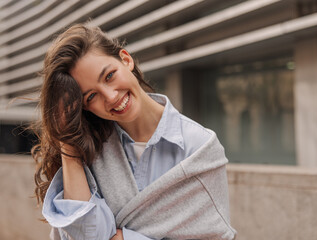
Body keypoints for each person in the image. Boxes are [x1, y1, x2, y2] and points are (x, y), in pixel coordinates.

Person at [33, 23, 237, 240]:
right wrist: (67, 142)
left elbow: (214, 235)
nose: (111, 97)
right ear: (84, 107)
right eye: (91, 96)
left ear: (126, 60)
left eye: (109, 76)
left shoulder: (200, 147)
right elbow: (83, 234)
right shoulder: (89, 151)